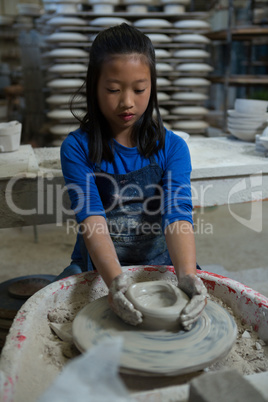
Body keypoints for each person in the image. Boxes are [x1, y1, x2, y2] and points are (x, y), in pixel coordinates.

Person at [57, 23, 207, 330]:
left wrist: (187, 276)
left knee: (206, 298)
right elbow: (92, 219)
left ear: (152, 86)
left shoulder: (173, 147)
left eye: (139, 89)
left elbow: (178, 215)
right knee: (58, 313)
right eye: (113, 89)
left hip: (160, 263)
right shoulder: (77, 147)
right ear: (94, 87)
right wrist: (115, 283)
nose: (127, 101)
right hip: (97, 266)